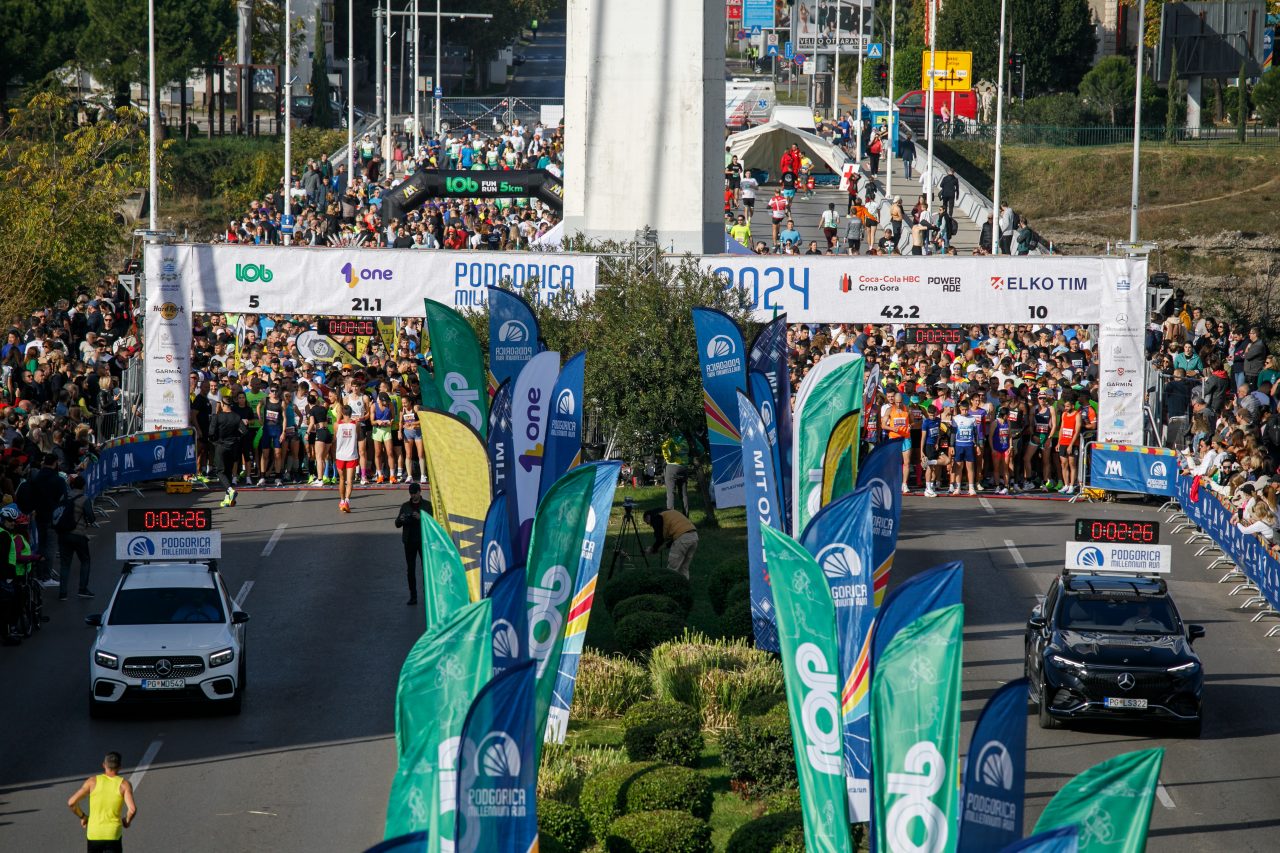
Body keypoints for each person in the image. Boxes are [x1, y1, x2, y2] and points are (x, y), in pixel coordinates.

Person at [68, 752, 137, 853]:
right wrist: (127, 821)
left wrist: (83, 817)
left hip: (94, 834)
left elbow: (71, 802)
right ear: (120, 767)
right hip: (113, 834)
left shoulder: (92, 782)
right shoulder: (124, 785)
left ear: (104, 765)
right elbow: (132, 809)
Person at [53, 474, 93, 600]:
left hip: (63, 534)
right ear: (84, 486)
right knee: (85, 560)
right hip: (78, 534)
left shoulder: (64, 496)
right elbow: (91, 518)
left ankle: (63, 593)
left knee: (65, 564)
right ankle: (82, 589)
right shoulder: (84, 498)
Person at [643, 508, 699, 579]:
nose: (650, 525)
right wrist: (659, 548)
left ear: (648, 516)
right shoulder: (669, 513)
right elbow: (674, 538)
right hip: (694, 536)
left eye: (648, 522)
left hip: (682, 538)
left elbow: (660, 539)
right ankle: (685, 588)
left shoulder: (656, 517)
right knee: (683, 568)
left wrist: (652, 549)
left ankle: (670, 588)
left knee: (672, 568)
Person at [208, 398, 244, 508]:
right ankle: (227, 498)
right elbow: (245, 431)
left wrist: (214, 441)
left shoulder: (217, 417)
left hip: (221, 446)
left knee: (219, 471)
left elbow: (211, 433)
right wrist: (237, 438)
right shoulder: (237, 417)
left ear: (223, 405)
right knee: (228, 472)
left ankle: (230, 490)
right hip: (233, 446)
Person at [394, 482, 426, 605]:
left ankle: (427, 594)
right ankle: (413, 596)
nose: (413, 496)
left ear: (419, 492)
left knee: (426, 570)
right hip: (409, 542)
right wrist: (400, 519)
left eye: (414, 493)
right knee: (411, 570)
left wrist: (421, 517)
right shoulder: (405, 506)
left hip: (423, 541)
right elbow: (397, 524)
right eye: (411, 494)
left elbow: (432, 521)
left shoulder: (426, 506)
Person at [333, 404, 359, 512]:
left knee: (342, 479)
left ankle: (342, 500)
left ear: (343, 413)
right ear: (351, 413)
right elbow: (357, 435)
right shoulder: (356, 424)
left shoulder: (337, 424)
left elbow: (335, 438)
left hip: (340, 455)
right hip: (351, 455)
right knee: (349, 480)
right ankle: (347, 501)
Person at [661, 432, 690, 514]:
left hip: (672, 467)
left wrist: (667, 459)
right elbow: (701, 449)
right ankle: (686, 516)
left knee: (671, 493)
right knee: (684, 494)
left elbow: (664, 448)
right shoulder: (686, 440)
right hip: (684, 467)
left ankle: (671, 516)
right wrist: (689, 459)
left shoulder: (670, 440)